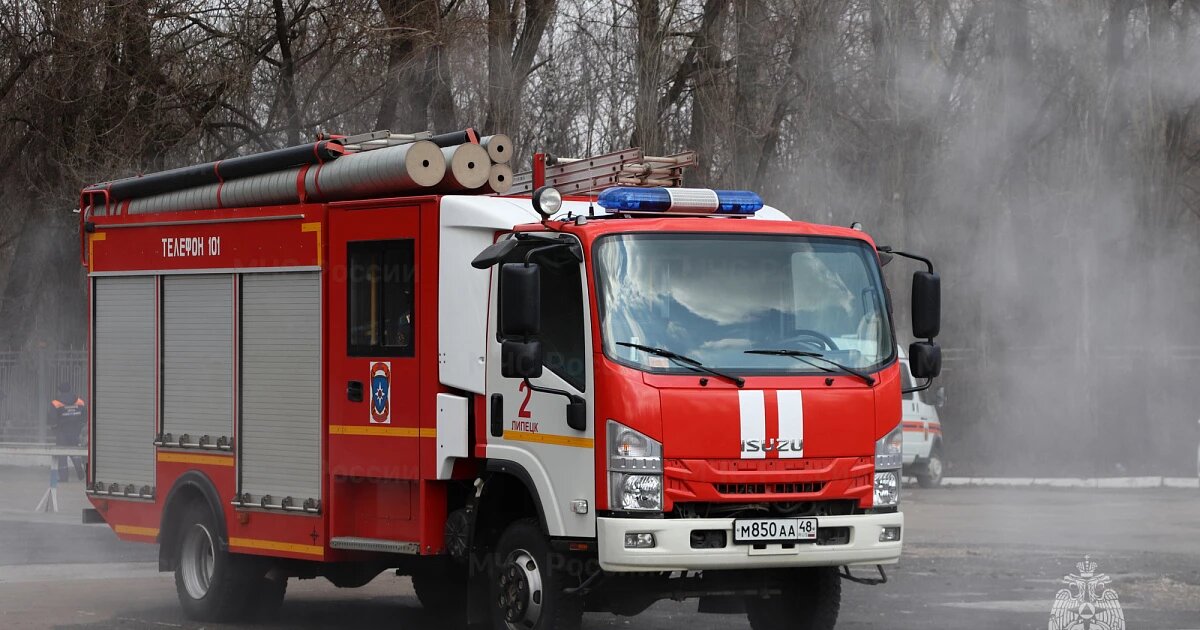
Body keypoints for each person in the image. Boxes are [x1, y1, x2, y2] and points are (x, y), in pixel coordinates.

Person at [49, 383, 86, 481]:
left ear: (60, 391)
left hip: (62, 432)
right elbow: (84, 417)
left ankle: (64, 477)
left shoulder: (56, 403)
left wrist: (54, 429)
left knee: (62, 454)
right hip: (75, 431)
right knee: (75, 451)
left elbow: (52, 419)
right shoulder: (80, 401)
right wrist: (79, 428)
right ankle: (79, 470)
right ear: (70, 389)